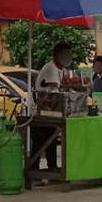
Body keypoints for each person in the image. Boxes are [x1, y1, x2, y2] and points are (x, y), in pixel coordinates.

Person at [31, 43, 73, 171]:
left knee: (51, 141)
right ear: (57, 55)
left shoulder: (63, 70)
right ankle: (34, 172)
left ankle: (52, 170)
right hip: (40, 111)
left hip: (52, 112)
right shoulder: (50, 69)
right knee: (40, 142)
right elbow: (54, 91)